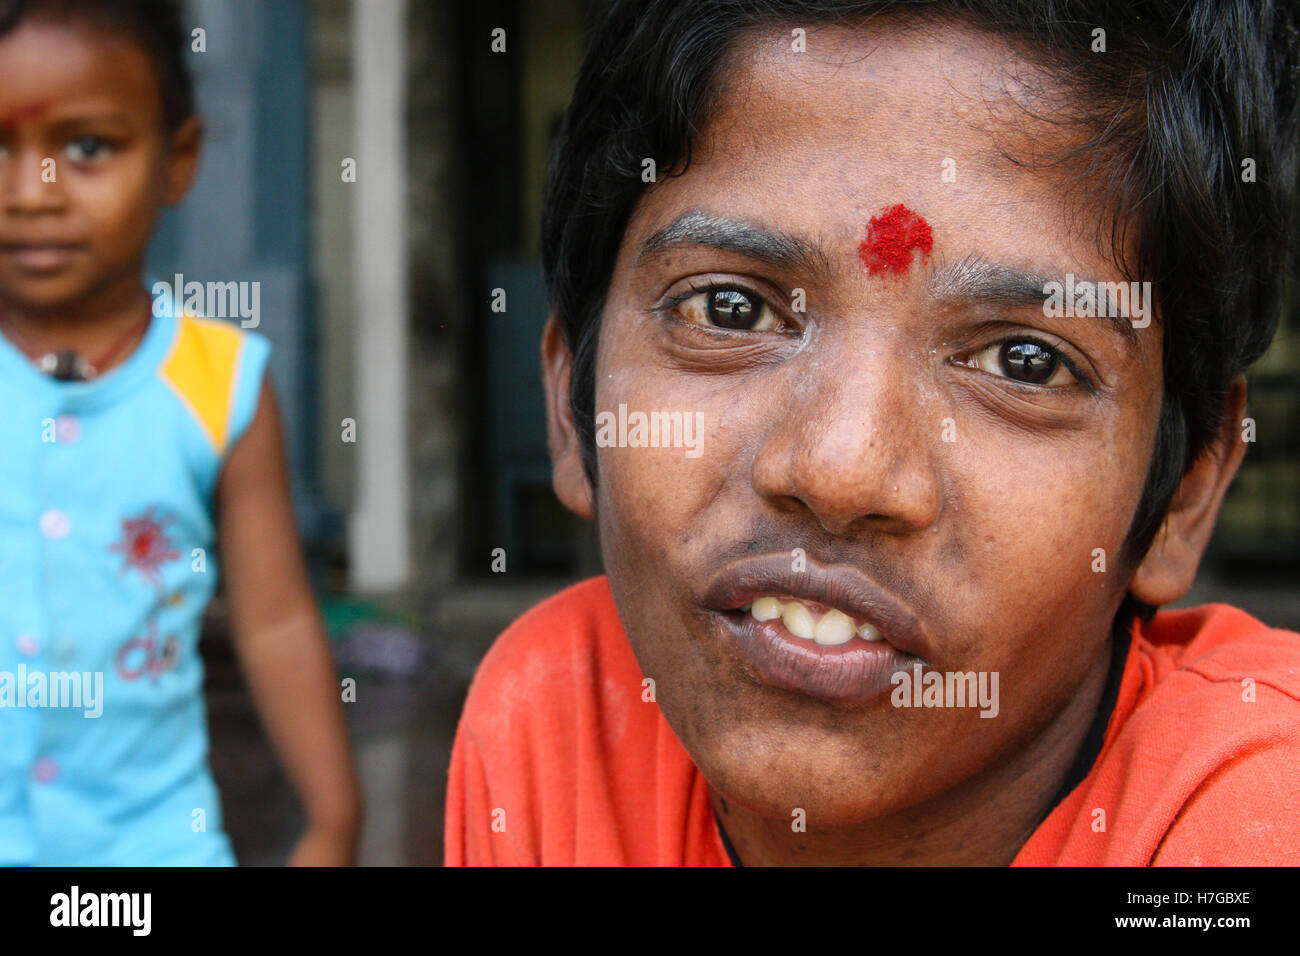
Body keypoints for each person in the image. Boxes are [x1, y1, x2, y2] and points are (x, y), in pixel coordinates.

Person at [447, 0, 1300, 865]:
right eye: (731, 308)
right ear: (569, 401)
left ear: (1187, 490)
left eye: (1024, 363)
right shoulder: (557, 721)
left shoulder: (1250, 817)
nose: (841, 470)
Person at [0, 0, 361, 865]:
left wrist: (332, 820)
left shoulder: (221, 382)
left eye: (87, 147)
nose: (31, 194)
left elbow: (272, 621)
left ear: (179, 158)